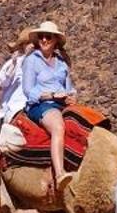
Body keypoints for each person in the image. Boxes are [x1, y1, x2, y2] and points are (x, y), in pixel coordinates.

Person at [20, 20, 76, 184]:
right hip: (40, 104)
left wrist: (72, 97)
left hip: (62, 102)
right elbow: (28, 90)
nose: (44, 40)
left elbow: (69, 87)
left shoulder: (62, 63)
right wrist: (50, 95)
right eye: (41, 37)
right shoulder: (31, 61)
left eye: (48, 37)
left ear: (55, 40)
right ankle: (60, 174)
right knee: (58, 126)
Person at [0, 26, 37, 119]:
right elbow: (2, 82)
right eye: (28, 43)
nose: (32, 46)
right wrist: (13, 64)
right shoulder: (14, 62)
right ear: (23, 45)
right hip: (11, 110)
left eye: (35, 43)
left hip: (29, 109)